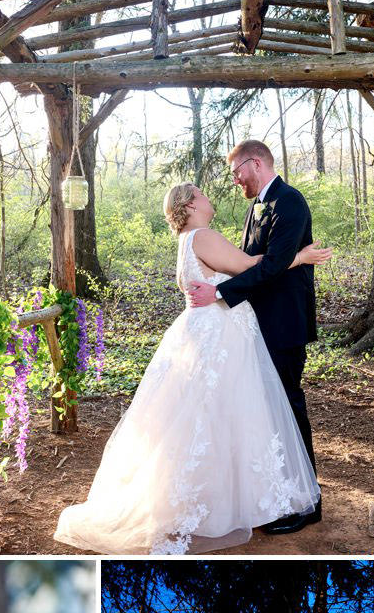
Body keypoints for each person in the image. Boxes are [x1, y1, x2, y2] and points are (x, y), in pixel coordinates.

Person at [54, 176, 327, 554]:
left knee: (204, 415)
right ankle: (226, 499)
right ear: (191, 205)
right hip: (220, 334)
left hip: (204, 331)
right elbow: (251, 265)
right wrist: (301, 256)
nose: (208, 194)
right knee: (222, 413)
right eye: (201, 193)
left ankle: (208, 495)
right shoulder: (204, 236)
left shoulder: (187, 241)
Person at [186, 138, 324, 533]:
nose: (234, 180)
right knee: (268, 411)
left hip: (284, 323)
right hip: (257, 323)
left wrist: (221, 293)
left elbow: (274, 266)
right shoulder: (257, 205)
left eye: (236, 171)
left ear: (255, 164)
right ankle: (282, 494)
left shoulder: (290, 202)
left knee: (289, 405)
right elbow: (248, 262)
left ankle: (309, 501)